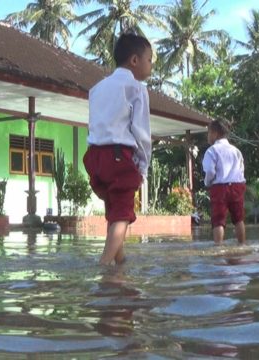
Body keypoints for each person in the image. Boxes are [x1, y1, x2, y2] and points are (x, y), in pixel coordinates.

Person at [83, 32, 153, 266]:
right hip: (118, 157)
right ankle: (103, 266)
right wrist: (142, 167)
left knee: (114, 212)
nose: (150, 65)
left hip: (95, 156)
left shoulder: (97, 88)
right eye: (149, 60)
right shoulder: (136, 88)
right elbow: (141, 133)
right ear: (135, 60)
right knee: (122, 214)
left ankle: (120, 262)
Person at [202, 119, 246, 245]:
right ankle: (242, 245)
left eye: (209, 133)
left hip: (220, 187)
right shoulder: (236, 150)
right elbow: (241, 170)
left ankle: (218, 247)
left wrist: (207, 182)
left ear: (215, 133)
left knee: (218, 219)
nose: (208, 136)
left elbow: (210, 171)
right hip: (237, 186)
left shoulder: (212, 150)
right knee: (238, 219)